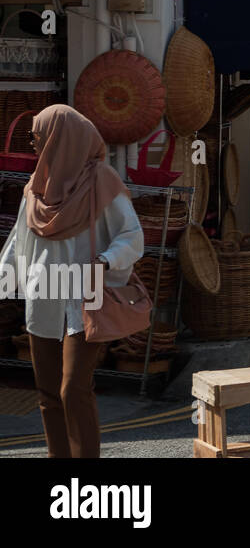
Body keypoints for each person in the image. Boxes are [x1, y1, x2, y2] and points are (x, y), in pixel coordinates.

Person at [0, 104, 143, 458]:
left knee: (73, 388)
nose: (33, 144)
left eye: (38, 136)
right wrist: (5, 280)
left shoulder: (101, 180)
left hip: (86, 291)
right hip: (44, 292)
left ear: (59, 139)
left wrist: (106, 261)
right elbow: (18, 241)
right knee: (47, 392)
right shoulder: (36, 185)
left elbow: (132, 235)